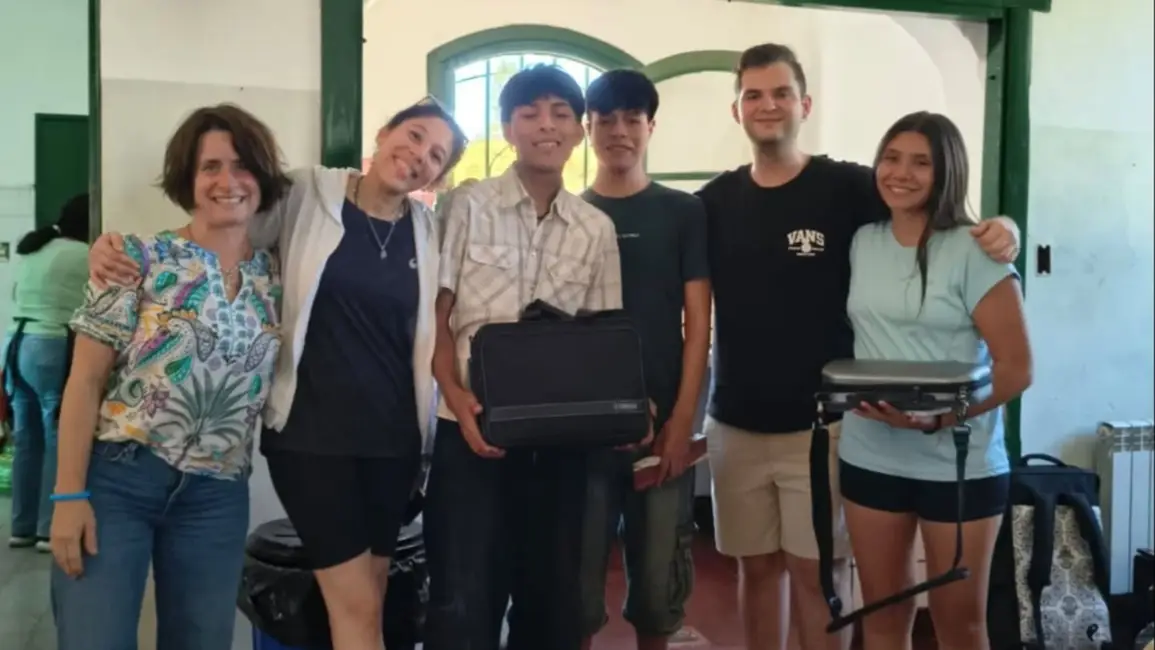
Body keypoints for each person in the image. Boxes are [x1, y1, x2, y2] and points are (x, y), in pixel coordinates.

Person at [82, 98, 468, 650]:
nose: (418, 155)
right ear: (384, 133)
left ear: (438, 176)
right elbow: (224, 222)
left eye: (435, 156)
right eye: (413, 136)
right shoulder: (309, 192)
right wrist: (117, 248)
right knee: (357, 607)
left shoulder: (428, 232)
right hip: (314, 440)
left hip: (393, 442)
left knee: (372, 598)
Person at [695, 43, 1022, 650]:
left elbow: (943, 214)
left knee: (822, 577)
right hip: (743, 423)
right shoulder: (712, 202)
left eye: (782, 93)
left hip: (828, 427)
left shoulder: (848, 187)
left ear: (805, 104)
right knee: (763, 573)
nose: (768, 105)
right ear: (736, 109)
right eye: (753, 95)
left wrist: (1007, 227)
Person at [50, 104, 287, 650]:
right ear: (188, 178)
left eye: (243, 165)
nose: (228, 181)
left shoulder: (278, 276)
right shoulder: (136, 258)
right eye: (211, 167)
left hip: (217, 494)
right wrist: (67, 496)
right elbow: (83, 382)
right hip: (117, 481)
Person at [426, 64, 623, 650]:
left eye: (561, 114)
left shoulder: (595, 228)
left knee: (552, 604)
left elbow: (600, 338)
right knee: (463, 601)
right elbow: (435, 316)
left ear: (579, 130)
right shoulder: (466, 205)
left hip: (559, 445)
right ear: (508, 128)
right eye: (530, 114)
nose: (546, 126)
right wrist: (455, 396)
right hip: (468, 433)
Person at [840, 111, 1031, 650]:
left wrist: (943, 418)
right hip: (870, 452)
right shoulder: (863, 241)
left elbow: (1017, 368)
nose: (901, 173)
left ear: (947, 171)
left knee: (960, 625)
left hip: (959, 462)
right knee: (881, 617)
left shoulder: (976, 250)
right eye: (891, 157)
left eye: (921, 162)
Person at [576, 69, 711, 650]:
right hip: (583, 432)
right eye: (605, 120)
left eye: (632, 119)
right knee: (576, 591)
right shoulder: (571, 213)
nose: (619, 131)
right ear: (588, 128)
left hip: (664, 431)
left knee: (660, 591)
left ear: (651, 126)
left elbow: (698, 325)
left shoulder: (682, 212)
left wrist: (683, 422)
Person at [4, 193, 90, 552]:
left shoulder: (35, 249)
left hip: (15, 344)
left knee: (27, 439)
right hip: (50, 345)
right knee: (59, 434)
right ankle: (47, 528)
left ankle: (21, 527)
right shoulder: (84, 254)